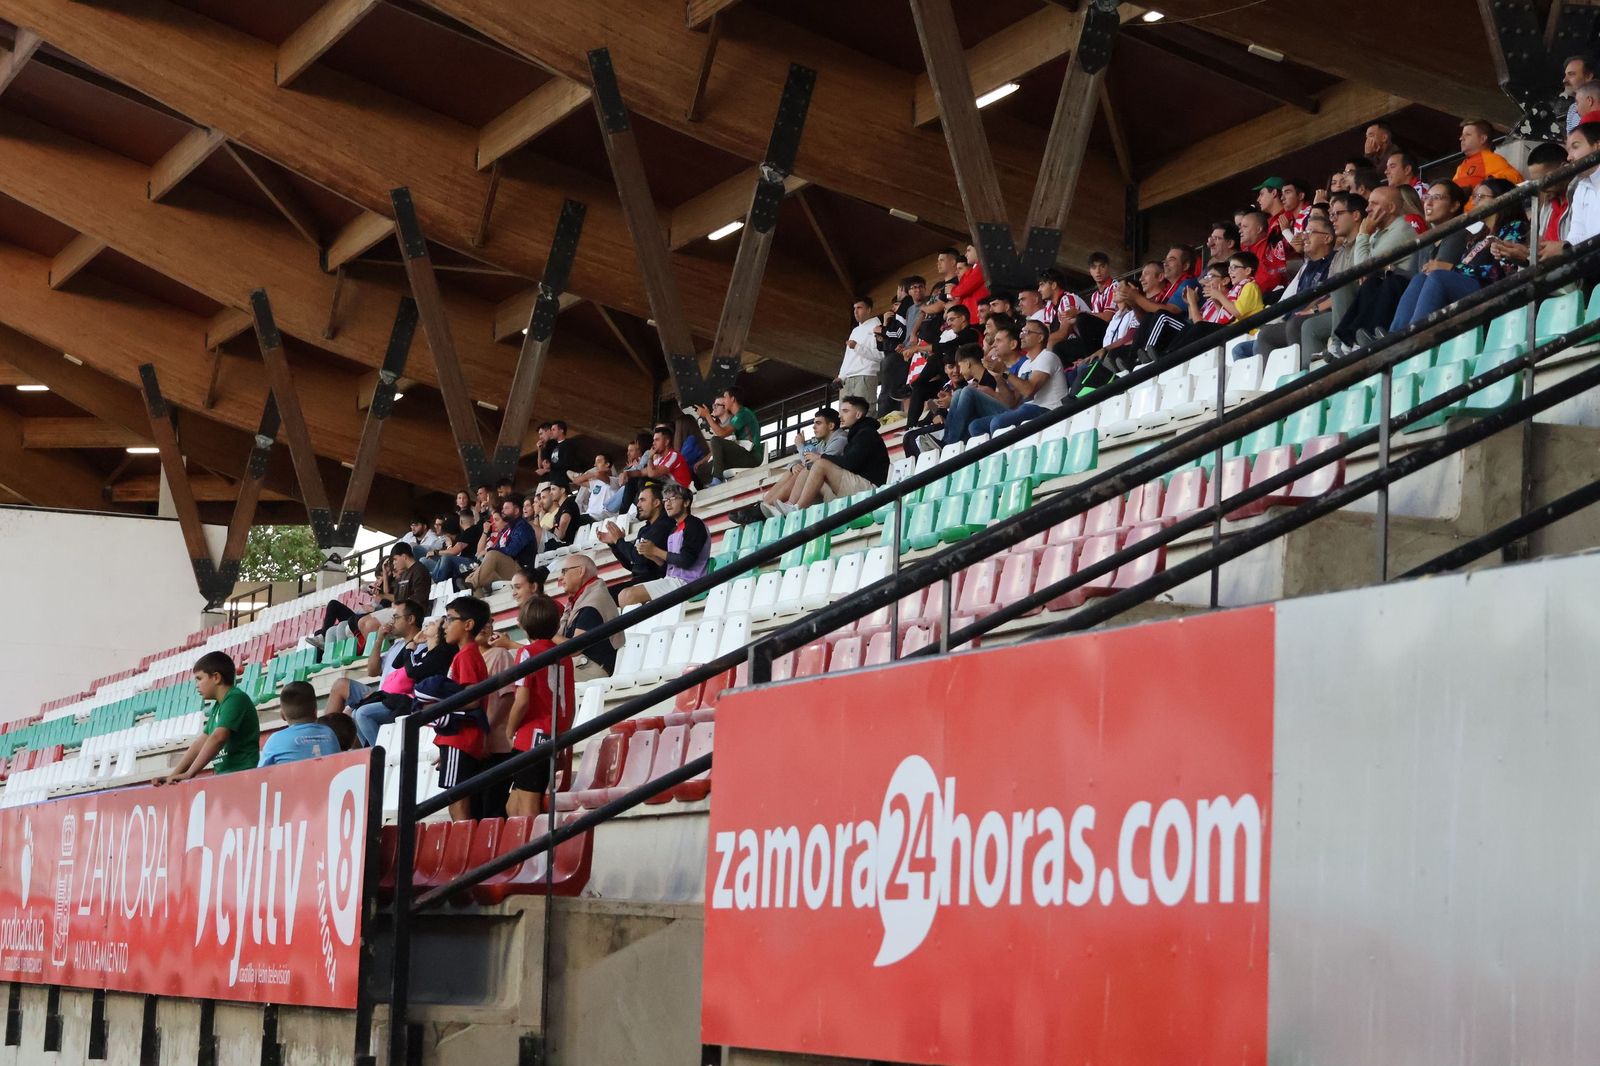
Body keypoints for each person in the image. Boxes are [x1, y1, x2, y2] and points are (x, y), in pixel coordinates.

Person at [1390, 178, 1528, 331]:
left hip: (1494, 291)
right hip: (1474, 290)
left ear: (1501, 198)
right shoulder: (1477, 236)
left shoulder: (1515, 227)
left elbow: (1504, 271)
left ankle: (1415, 335)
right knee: (1420, 278)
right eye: (1474, 196)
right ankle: (1396, 335)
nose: (1474, 202)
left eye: (1481, 197)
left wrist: (1451, 268)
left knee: (1439, 277)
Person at [504, 596, 574, 818]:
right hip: (555, 731)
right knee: (512, 807)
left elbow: (522, 700)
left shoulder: (527, 653)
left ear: (524, 625)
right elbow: (570, 700)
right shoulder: (564, 656)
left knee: (527, 809)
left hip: (531, 737)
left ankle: (536, 842)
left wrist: (509, 731)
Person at [350, 609, 458, 747]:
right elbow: (397, 663)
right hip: (411, 701)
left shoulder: (440, 654)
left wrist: (411, 648)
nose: (429, 623)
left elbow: (412, 671)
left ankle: (380, 753)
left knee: (363, 713)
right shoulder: (425, 652)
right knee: (355, 713)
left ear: (439, 633)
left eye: (435, 623)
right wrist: (413, 642)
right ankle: (372, 751)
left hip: (419, 703)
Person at [765, 395, 889, 512]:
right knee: (808, 469)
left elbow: (849, 462)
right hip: (855, 486)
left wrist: (821, 457)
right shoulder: (856, 434)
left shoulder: (866, 433)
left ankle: (797, 508)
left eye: (845, 411)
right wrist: (796, 464)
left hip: (870, 488)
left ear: (858, 414)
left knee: (819, 464)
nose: (840, 416)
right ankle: (777, 506)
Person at [429, 596, 491, 820]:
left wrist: (439, 705)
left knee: (457, 802)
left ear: (468, 625)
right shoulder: (467, 654)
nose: (444, 626)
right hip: (460, 739)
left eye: (449, 619)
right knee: (459, 801)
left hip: (460, 738)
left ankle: (464, 841)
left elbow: (472, 699)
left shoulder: (465, 656)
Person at [156, 651, 258, 782]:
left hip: (242, 775)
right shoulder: (218, 706)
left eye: (199, 679)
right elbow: (200, 743)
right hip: (225, 777)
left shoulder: (235, 698)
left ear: (216, 677)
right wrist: (173, 776)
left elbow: (219, 737)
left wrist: (190, 773)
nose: (196, 685)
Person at [325, 597, 425, 717]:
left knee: (356, 713)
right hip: (381, 694)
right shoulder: (396, 646)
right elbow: (372, 671)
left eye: (396, 617)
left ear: (410, 619)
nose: (392, 622)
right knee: (340, 686)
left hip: (397, 699)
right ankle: (322, 728)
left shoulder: (422, 646)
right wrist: (379, 640)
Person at [968, 318, 1070, 436]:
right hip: (1028, 409)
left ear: (1040, 337)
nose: (1021, 336)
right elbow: (1011, 403)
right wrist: (998, 376)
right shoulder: (1026, 365)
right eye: (1022, 332)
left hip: (1049, 409)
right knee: (975, 426)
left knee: (998, 422)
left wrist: (1005, 371)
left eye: (1026, 332)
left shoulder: (1047, 356)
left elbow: (1029, 391)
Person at [615, 482, 708, 608]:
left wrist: (655, 551)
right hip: (672, 580)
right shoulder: (674, 530)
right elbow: (667, 569)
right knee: (623, 595)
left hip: (689, 581)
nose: (667, 504)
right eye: (665, 500)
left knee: (628, 596)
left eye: (672, 499)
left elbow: (686, 560)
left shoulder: (694, 525)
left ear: (686, 502)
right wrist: (652, 555)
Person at [754, 408, 845, 510]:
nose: (814, 427)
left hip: (837, 487)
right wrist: (793, 466)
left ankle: (787, 506)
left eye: (818, 423)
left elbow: (814, 464)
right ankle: (765, 505)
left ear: (831, 426)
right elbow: (806, 460)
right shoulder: (823, 443)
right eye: (814, 423)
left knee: (805, 470)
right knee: (793, 470)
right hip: (823, 484)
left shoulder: (840, 440)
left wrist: (800, 446)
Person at [597, 481, 673, 592]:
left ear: (656, 503)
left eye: (642, 500)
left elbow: (639, 558)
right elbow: (631, 565)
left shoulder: (664, 526)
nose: (638, 505)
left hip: (655, 582)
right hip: (640, 581)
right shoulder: (644, 529)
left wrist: (619, 541)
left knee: (604, 595)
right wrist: (614, 544)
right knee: (602, 594)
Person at [554, 553, 620, 680]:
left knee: (539, 675)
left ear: (581, 571)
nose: (560, 578)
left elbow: (575, 648)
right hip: (580, 664)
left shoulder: (594, 601)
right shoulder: (583, 598)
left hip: (592, 668)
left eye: (564, 572)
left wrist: (548, 634)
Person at [258, 682, 340, 766]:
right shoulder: (329, 733)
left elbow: (260, 772)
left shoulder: (275, 740)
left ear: (282, 715)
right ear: (315, 709)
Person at [467, 498, 539, 592]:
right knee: (479, 578)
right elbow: (497, 549)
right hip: (511, 568)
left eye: (506, 508)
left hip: (524, 571)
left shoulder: (523, 527)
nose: (503, 511)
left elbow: (511, 551)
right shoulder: (509, 529)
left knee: (492, 554)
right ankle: (472, 595)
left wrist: (488, 551)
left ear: (516, 511)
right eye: (503, 508)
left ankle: (471, 584)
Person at [697, 387, 765, 480]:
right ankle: (716, 481)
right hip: (743, 455)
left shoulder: (743, 413)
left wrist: (707, 416)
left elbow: (721, 434)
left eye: (725, 397)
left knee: (715, 440)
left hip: (752, 457)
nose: (724, 401)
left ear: (733, 399)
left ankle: (718, 479)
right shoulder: (736, 417)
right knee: (703, 469)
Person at [1452, 119, 1522, 191]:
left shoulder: (1492, 159)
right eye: (1462, 135)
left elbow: (1516, 178)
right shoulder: (1461, 167)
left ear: (1483, 139)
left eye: (1467, 135)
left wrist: (1486, 183)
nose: (1461, 138)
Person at [837, 296, 884, 401]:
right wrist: (841, 376)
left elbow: (880, 355)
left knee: (863, 410)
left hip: (865, 376)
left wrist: (857, 347)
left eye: (859, 308)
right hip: (847, 379)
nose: (855, 311)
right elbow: (847, 357)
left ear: (869, 310)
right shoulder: (855, 331)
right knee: (845, 411)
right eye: (854, 308)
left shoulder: (877, 327)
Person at [641, 425, 692, 490]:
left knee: (645, 480)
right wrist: (630, 473)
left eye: (657, 440)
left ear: (666, 442)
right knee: (639, 479)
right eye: (654, 440)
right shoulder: (661, 458)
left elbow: (652, 474)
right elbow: (644, 472)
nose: (653, 443)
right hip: (670, 487)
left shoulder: (673, 455)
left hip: (680, 490)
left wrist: (650, 457)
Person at [1564, 55, 1595, 133]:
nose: (1564, 80)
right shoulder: (1572, 108)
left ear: (1588, 77)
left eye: (1571, 74)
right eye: (1565, 75)